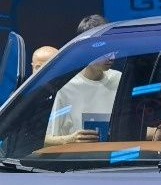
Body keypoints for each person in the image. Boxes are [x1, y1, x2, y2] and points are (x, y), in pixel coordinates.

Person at [44, 15, 121, 146]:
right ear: (86, 50)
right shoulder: (65, 87)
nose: (112, 56)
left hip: (117, 156)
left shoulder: (119, 79)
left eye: (112, 49)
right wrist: (70, 140)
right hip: (78, 158)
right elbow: (44, 140)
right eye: (104, 50)